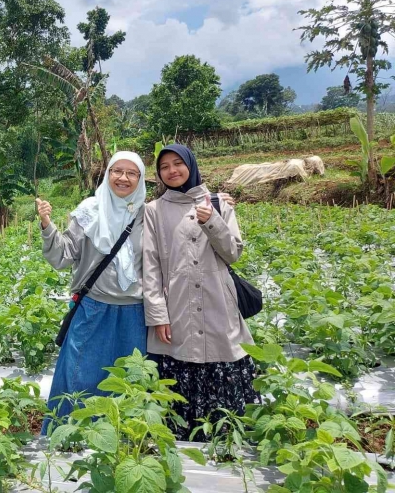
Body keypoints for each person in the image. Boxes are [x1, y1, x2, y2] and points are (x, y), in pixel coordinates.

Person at [143, 144, 259, 441]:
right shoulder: (154, 211)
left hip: (218, 301)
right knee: (180, 364)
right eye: (164, 166)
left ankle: (226, 439)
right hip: (177, 304)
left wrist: (212, 221)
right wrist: (158, 315)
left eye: (178, 163)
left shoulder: (219, 204)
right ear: (158, 174)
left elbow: (233, 254)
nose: (172, 171)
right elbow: (151, 265)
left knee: (222, 357)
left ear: (191, 166)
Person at [36, 151, 147, 433]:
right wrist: (48, 227)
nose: (123, 178)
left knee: (129, 384)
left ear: (141, 178)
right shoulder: (89, 210)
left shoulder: (149, 214)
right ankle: (69, 439)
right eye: (117, 171)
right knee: (80, 379)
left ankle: (123, 443)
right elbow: (63, 257)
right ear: (107, 174)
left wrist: (217, 204)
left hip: (135, 314)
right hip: (93, 309)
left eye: (131, 173)